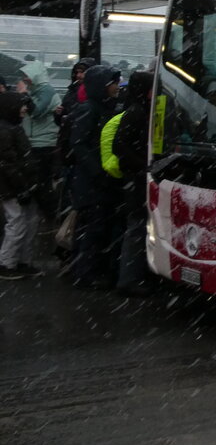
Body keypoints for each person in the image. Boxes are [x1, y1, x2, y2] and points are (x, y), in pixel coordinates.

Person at [67, 64, 122, 288]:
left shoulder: (102, 107)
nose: (117, 87)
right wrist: (98, 172)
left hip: (94, 181)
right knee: (92, 228)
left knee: (95, 227)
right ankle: (85, 274)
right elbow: (78, 145)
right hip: (91, 182)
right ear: (102, 86)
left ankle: (86, 271)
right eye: (113, 83)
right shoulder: (90, 109)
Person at [112, 70, 155, 296]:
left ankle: (132, 277)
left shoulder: (135, 109)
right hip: (137, 180)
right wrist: (143, 165)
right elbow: (120, 147)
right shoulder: (137, 112)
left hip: (136, 178)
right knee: (137, 228)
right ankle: (129, 279)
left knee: (137, 227)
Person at [17, 60, 62, 231]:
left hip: (44, 143)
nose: (24, 79)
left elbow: (36, 112)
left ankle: (50, 216)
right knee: (38, 182)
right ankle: (46, 215)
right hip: (35, 142)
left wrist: (24, 95)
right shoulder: (36, 91)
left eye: (27, 75)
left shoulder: (46, 91)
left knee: (41, 182)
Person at [0, 92, 38, 279]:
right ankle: (9, 263)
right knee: (18, 223)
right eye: (21, 105)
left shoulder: (10, 127)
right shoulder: (9, 129)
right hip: (13, 186)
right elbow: (9, 164)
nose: (25, 109)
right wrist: (22, 186)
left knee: (21, 222)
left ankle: (15, 262)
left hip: (14, 185)